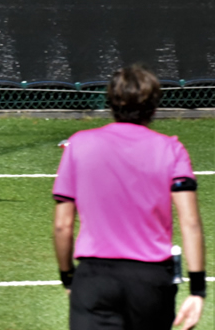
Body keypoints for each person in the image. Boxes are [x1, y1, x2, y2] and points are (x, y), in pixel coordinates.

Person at [52, 64, 206, 330]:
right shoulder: (172, 149)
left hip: (94, 280)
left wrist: (68, 278)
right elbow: (190, 222)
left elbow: (62, 226)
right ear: (154, 105)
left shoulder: (78, 144)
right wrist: (197, 290)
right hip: (151, 283)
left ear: (110, 102)